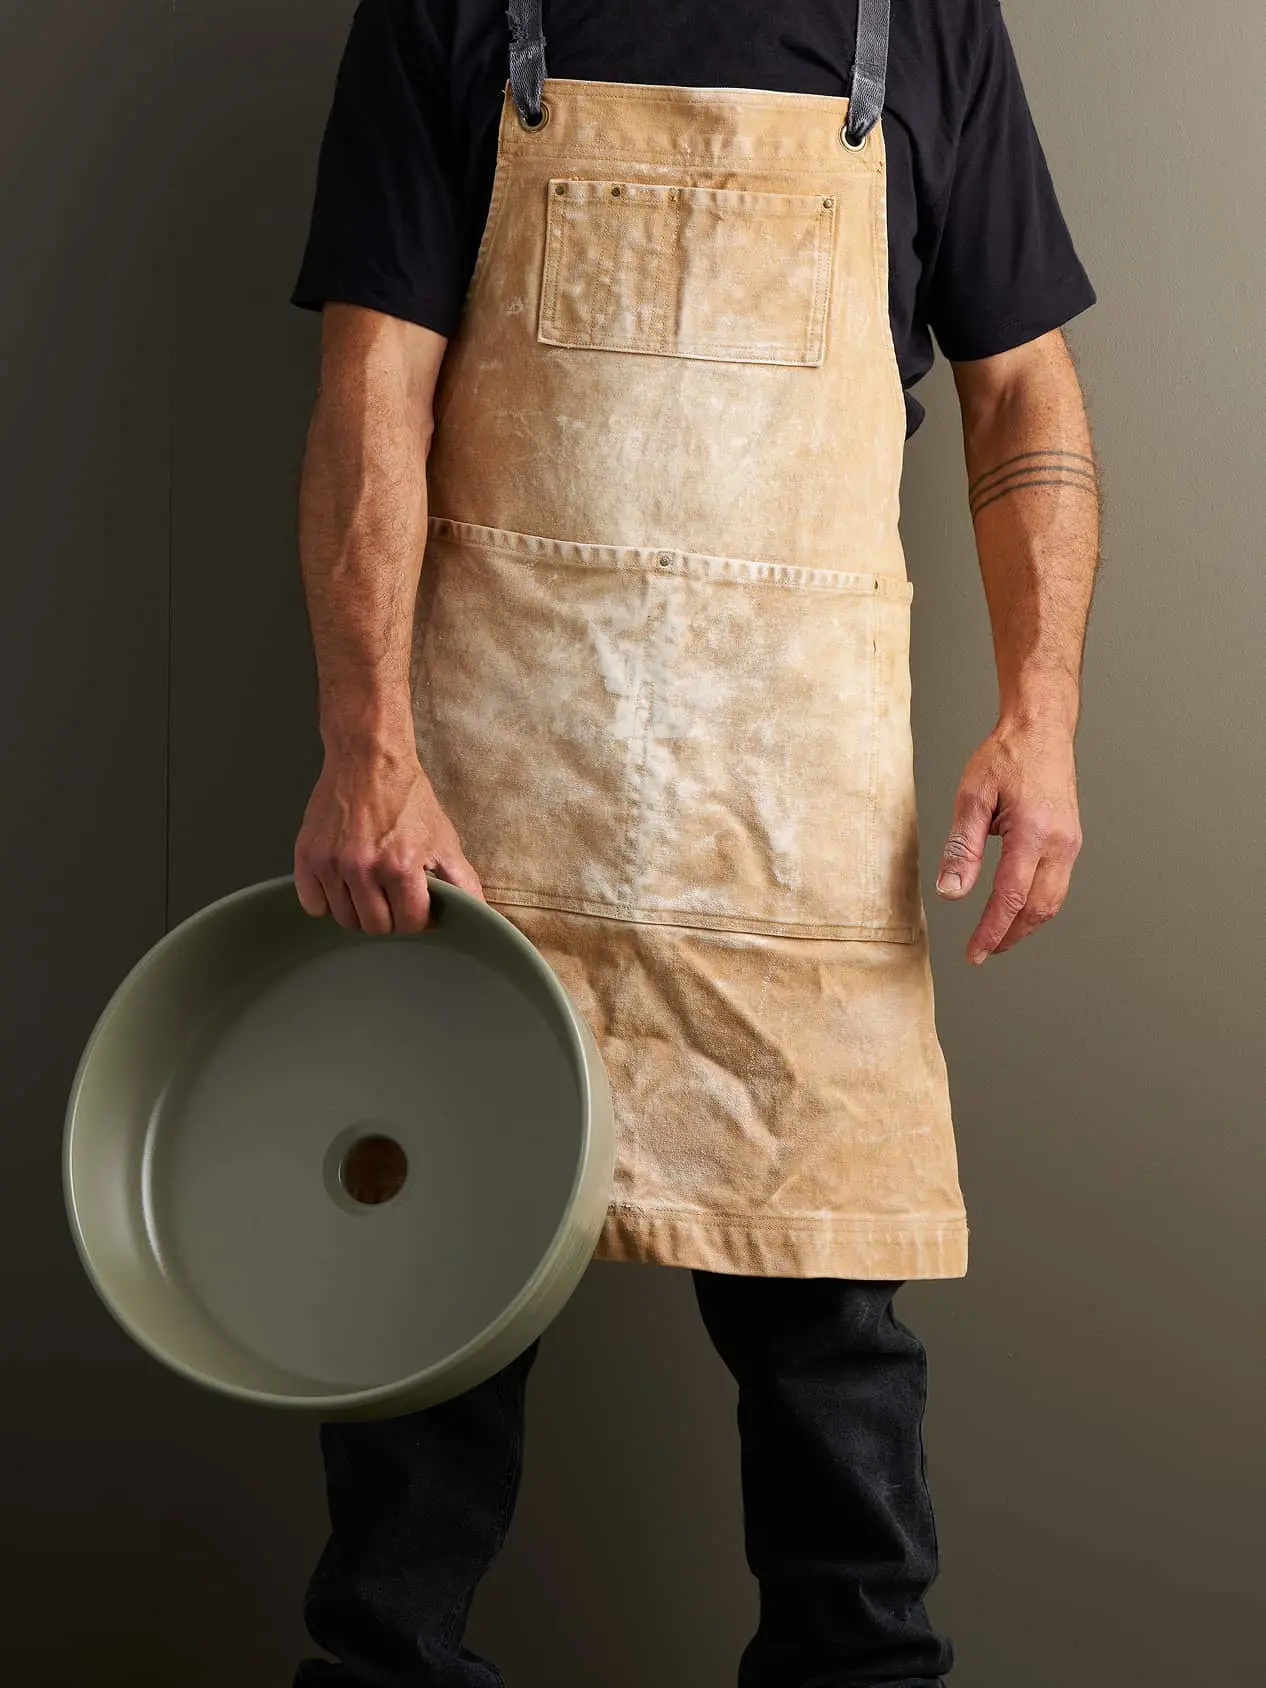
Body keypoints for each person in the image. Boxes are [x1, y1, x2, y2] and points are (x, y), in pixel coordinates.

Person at [288, 1, 1099, 1682]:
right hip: (493, 818)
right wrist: (367, 751)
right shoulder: (446, 6)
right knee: (413, 1419)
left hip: (792, 832)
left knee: (838, 1428)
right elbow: (376, 385)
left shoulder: (919, 15)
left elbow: (1021, 389)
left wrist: (1042, 716)